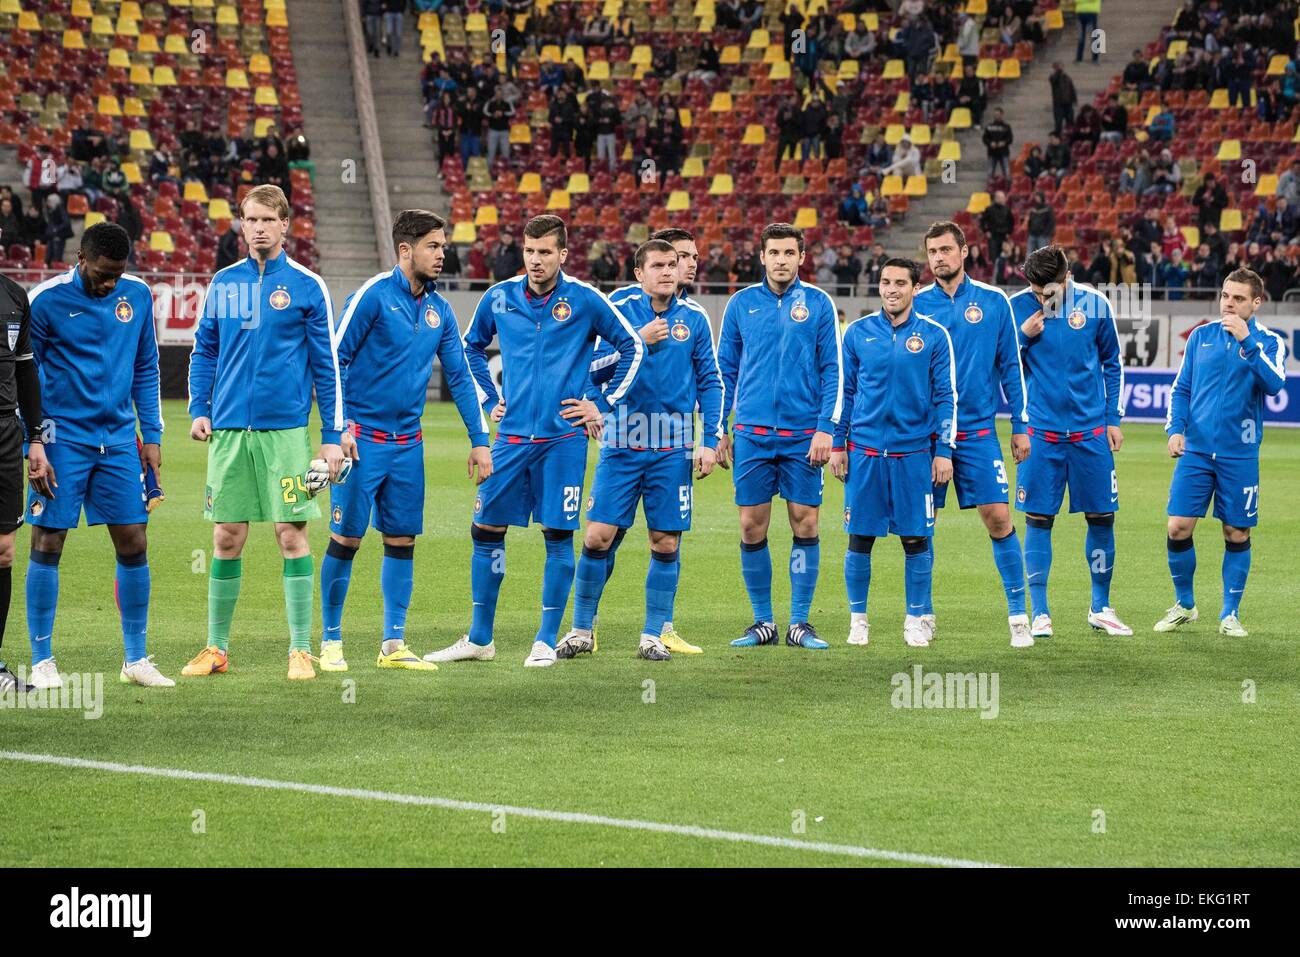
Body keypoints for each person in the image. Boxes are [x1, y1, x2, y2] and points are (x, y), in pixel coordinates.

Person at [425, 215, 644, 668]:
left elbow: (632, 347)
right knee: (485, 529)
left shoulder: (585, 299)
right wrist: (491, 397)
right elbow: (469, 348)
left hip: (562, 439)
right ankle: (480, 638)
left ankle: (544, 640)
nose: (535, 260)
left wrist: (601, 404)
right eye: (529, 251)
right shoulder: (499, 296)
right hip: (509, 438)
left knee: (558, 535)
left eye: (545, 252)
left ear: (563, 254)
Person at [183, 185, 354, 681]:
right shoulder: (223, 283)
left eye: (265, 220)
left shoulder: (307, 286)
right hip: (231, 433)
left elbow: (328, 367)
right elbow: (205, 352)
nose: (256, 228)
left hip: (285, 436)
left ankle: (301, 649)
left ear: (285, 225)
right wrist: (199, 407)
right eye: (248, 219)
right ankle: (216, 648)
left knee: (291, 533)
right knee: (226, 535)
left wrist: (331, 434)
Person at [320, 210, 491, 673]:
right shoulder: (372, 297)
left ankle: (393, 644)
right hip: (362, 444)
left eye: (443, 245)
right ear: (405, 250)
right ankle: (331, 641)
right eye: (433, 246)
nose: (442, 254)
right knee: (347, 539)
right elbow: (335, 360)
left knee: (401, 540)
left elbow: (458, 374)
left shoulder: (440, 309)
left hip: (408, 446)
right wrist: (341, 428)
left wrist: (480, 439)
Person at [556, 240, 723, 661]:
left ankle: (652, 634)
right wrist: (635, 342)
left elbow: (711, 382)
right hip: (623, 438)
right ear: (638, 273)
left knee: (664, 543)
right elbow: (588, 368)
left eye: (673, 264)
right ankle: (581, 630)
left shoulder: (696, 319)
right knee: (597, 536)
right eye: (658, 266)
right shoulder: (618, 309)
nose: (668, 272)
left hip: (673, 443)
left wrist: (709, 441)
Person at [23, 222, 170, 689]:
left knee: (134, 540)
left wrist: (152, 435)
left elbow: (146, 365)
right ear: (81, 260)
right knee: (48, 541)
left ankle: (135, 659)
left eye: (118, 273)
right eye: (103, 273)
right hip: (63, 440)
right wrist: (37, 441)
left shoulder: (138, 296)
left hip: (120, 439)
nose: (110, 282)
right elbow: (28, 380)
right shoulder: (45, 301)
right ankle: (43, 660)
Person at [716, 223, 842, 651]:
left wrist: (826, 428)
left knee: (805, 521)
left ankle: (800, 623)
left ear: (802, 257)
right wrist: (719, 429)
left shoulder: (820, 304)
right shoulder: (741, 304)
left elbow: (833, 373)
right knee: (752, 525)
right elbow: (724, 372)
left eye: (790, 252)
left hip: (803, 435)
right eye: (775, 253)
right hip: (751, 433)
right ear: (763, 256)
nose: (782, 260)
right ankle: (763, 622)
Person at [914, 222, 1032, 646]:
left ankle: (1020, 617)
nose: (939, 258)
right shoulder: (916, 303)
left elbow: (1011, 369)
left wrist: (1020, 425)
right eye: (932, 251)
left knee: (999, 517)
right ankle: (922, 615)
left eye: (946, 249)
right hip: (924, 436)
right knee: (921, 526)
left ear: (965, 251)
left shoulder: (993, 301)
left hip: (978, 431)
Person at [830, 258, 955, 648]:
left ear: (915, 288)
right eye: (885, 281)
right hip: (864, 452)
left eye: (901, 282)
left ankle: (916, 618)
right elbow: (844, 393)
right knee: (859, 539)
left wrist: (944, 451)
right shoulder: (857, 333)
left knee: (916, 540)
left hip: (915, 455)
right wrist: (838, 443)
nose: (892, 289)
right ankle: (858, 619)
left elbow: (946, 398)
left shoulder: (934, 336)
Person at [1009, 245, 1130, 640]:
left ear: (1067, 276)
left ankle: (1101, 607)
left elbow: (1112, 362)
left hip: (1090, 433)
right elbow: (1002, 364)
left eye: (1049, 289)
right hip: (1040, 434)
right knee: (1039, 518)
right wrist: (1022, 339)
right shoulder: (1015, 308)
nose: (1042, 297)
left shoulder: (1095, 305)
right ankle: (1040, 612)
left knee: (1101, 517)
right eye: (1036, 288)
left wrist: (1113, 418)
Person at [1158, 270, 1286, 637]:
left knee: (1236, 532)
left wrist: (1248, 344)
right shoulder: (1201, 336)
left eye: (1238, 298)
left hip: (1240, 454)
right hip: (1196, 451)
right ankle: (1185, 604)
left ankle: (1229, 614)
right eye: (1226, 295)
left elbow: (1275, 384)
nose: (1228, 303)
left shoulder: (1268, 341)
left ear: (1256, 302)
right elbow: (1181, 388)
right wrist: (1176, 429)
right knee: (1177, 527)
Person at [0, 263, 50, 691]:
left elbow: (25, 371)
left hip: (4, 435)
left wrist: (35, 437)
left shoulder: (15, 296)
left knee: (2, 551)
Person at [484, 87, 514, 168]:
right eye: (497, 94)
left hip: (504, 131)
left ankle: (506, 172)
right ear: (495, 94)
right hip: (493, 131)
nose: (499, 96)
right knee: (491, 153)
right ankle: (488, 172)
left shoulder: (507, 103)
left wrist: (503, 113)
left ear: (502, 95)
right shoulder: (490, 103)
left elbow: (513, 112)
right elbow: (485, 112)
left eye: (500, 94)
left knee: (506, 153)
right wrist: (493, 114)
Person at [982, 108, 1014, 181]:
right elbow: (984, 138)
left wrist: (1004, 142)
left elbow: (1010, 139)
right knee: (990, 172)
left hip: (1004, 152)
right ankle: (990, 187)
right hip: (992, 153)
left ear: (1002, 115)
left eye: (998, 114)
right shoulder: (989, 126)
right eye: (995, 114)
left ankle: (1008, 188)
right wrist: (990, 143)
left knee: (1007, 172)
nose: (996, 116)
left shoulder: (1006, 127)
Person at [1049, 62, 1077, 134]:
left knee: (1070, 121)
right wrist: (1058, 71)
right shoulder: (1053, 77)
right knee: (1058, 122)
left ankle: (1069, 135)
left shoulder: (1067, 77)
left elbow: (1072, 88)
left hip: (1068, 103)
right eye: (1058, 67)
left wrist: (1074, 99)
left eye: (1061, 67)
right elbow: (1054, 80)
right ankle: (1058, 136)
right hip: (1058, 104)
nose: (1061, 69)